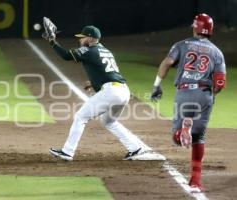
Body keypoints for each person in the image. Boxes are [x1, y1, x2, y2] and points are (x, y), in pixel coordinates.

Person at [42, 18, 163, 161]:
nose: (80, 40)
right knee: (109, 122)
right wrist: (95, 84)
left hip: (112, 91)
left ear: (91, 38)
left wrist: (52, 41)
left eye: (83, 37)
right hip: (123, 91)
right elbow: (107, 72)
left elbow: (67, 56)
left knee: (81, 117)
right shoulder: (105, 50)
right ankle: (135, 148)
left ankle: (67, 152)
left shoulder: (89, 49)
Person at [151, 13, 226, 193]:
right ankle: (195, 181)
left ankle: (183, 130)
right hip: (204, 94)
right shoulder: (217, 52)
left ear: (195, 27)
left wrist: (157, 86)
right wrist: (213, 94)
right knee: (199, 137)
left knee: (178, 139)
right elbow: (220, 81)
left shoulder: (182, 45)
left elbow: (166, 63)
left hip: (185, 92)